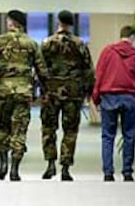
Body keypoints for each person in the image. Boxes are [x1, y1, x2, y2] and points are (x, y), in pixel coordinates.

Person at [0, 10, 50, 181]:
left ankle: (3, 165)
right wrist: (45, 91)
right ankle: (14, 170)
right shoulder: (32, 43)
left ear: (11, 22)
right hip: (23, 92)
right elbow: (42, 70)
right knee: (19, 129)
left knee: (2, 128)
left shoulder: (0, 41)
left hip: (3, 91)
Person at [40, 10, 95, 181]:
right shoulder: (80, 44)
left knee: (49, 129)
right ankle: (65, 168)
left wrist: (41, 90)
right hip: (73, 93)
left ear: (58, 21)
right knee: (70, 131)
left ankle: (50, 164)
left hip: (51, 93)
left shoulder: (47, 43)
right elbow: (89, 71)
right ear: (71, 23)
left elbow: (40, 69)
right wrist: (88, 92)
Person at [92, 25, 135, 182]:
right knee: (129, 135)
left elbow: (99, 74)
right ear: (132, 37)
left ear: (121, 35)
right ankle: (127, 172)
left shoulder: (107, 52)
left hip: (108, 97)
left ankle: (108, 173)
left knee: (107, 136)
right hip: (130, 98)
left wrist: (96, 97)